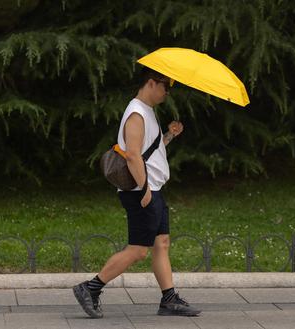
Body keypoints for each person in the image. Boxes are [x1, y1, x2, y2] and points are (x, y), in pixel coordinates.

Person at [73, 67, 201, 318]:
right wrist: (144, 190)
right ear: (152, 83)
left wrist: (169, 136)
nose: (167, 93)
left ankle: (169, 299)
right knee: (139, 250)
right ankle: (90, 288)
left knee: (161, 243)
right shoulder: (136, 113)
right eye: (166, 87)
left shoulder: (147, 112)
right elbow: (132, 155)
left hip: (152, 189)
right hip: (141, 191)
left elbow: (147, 151)